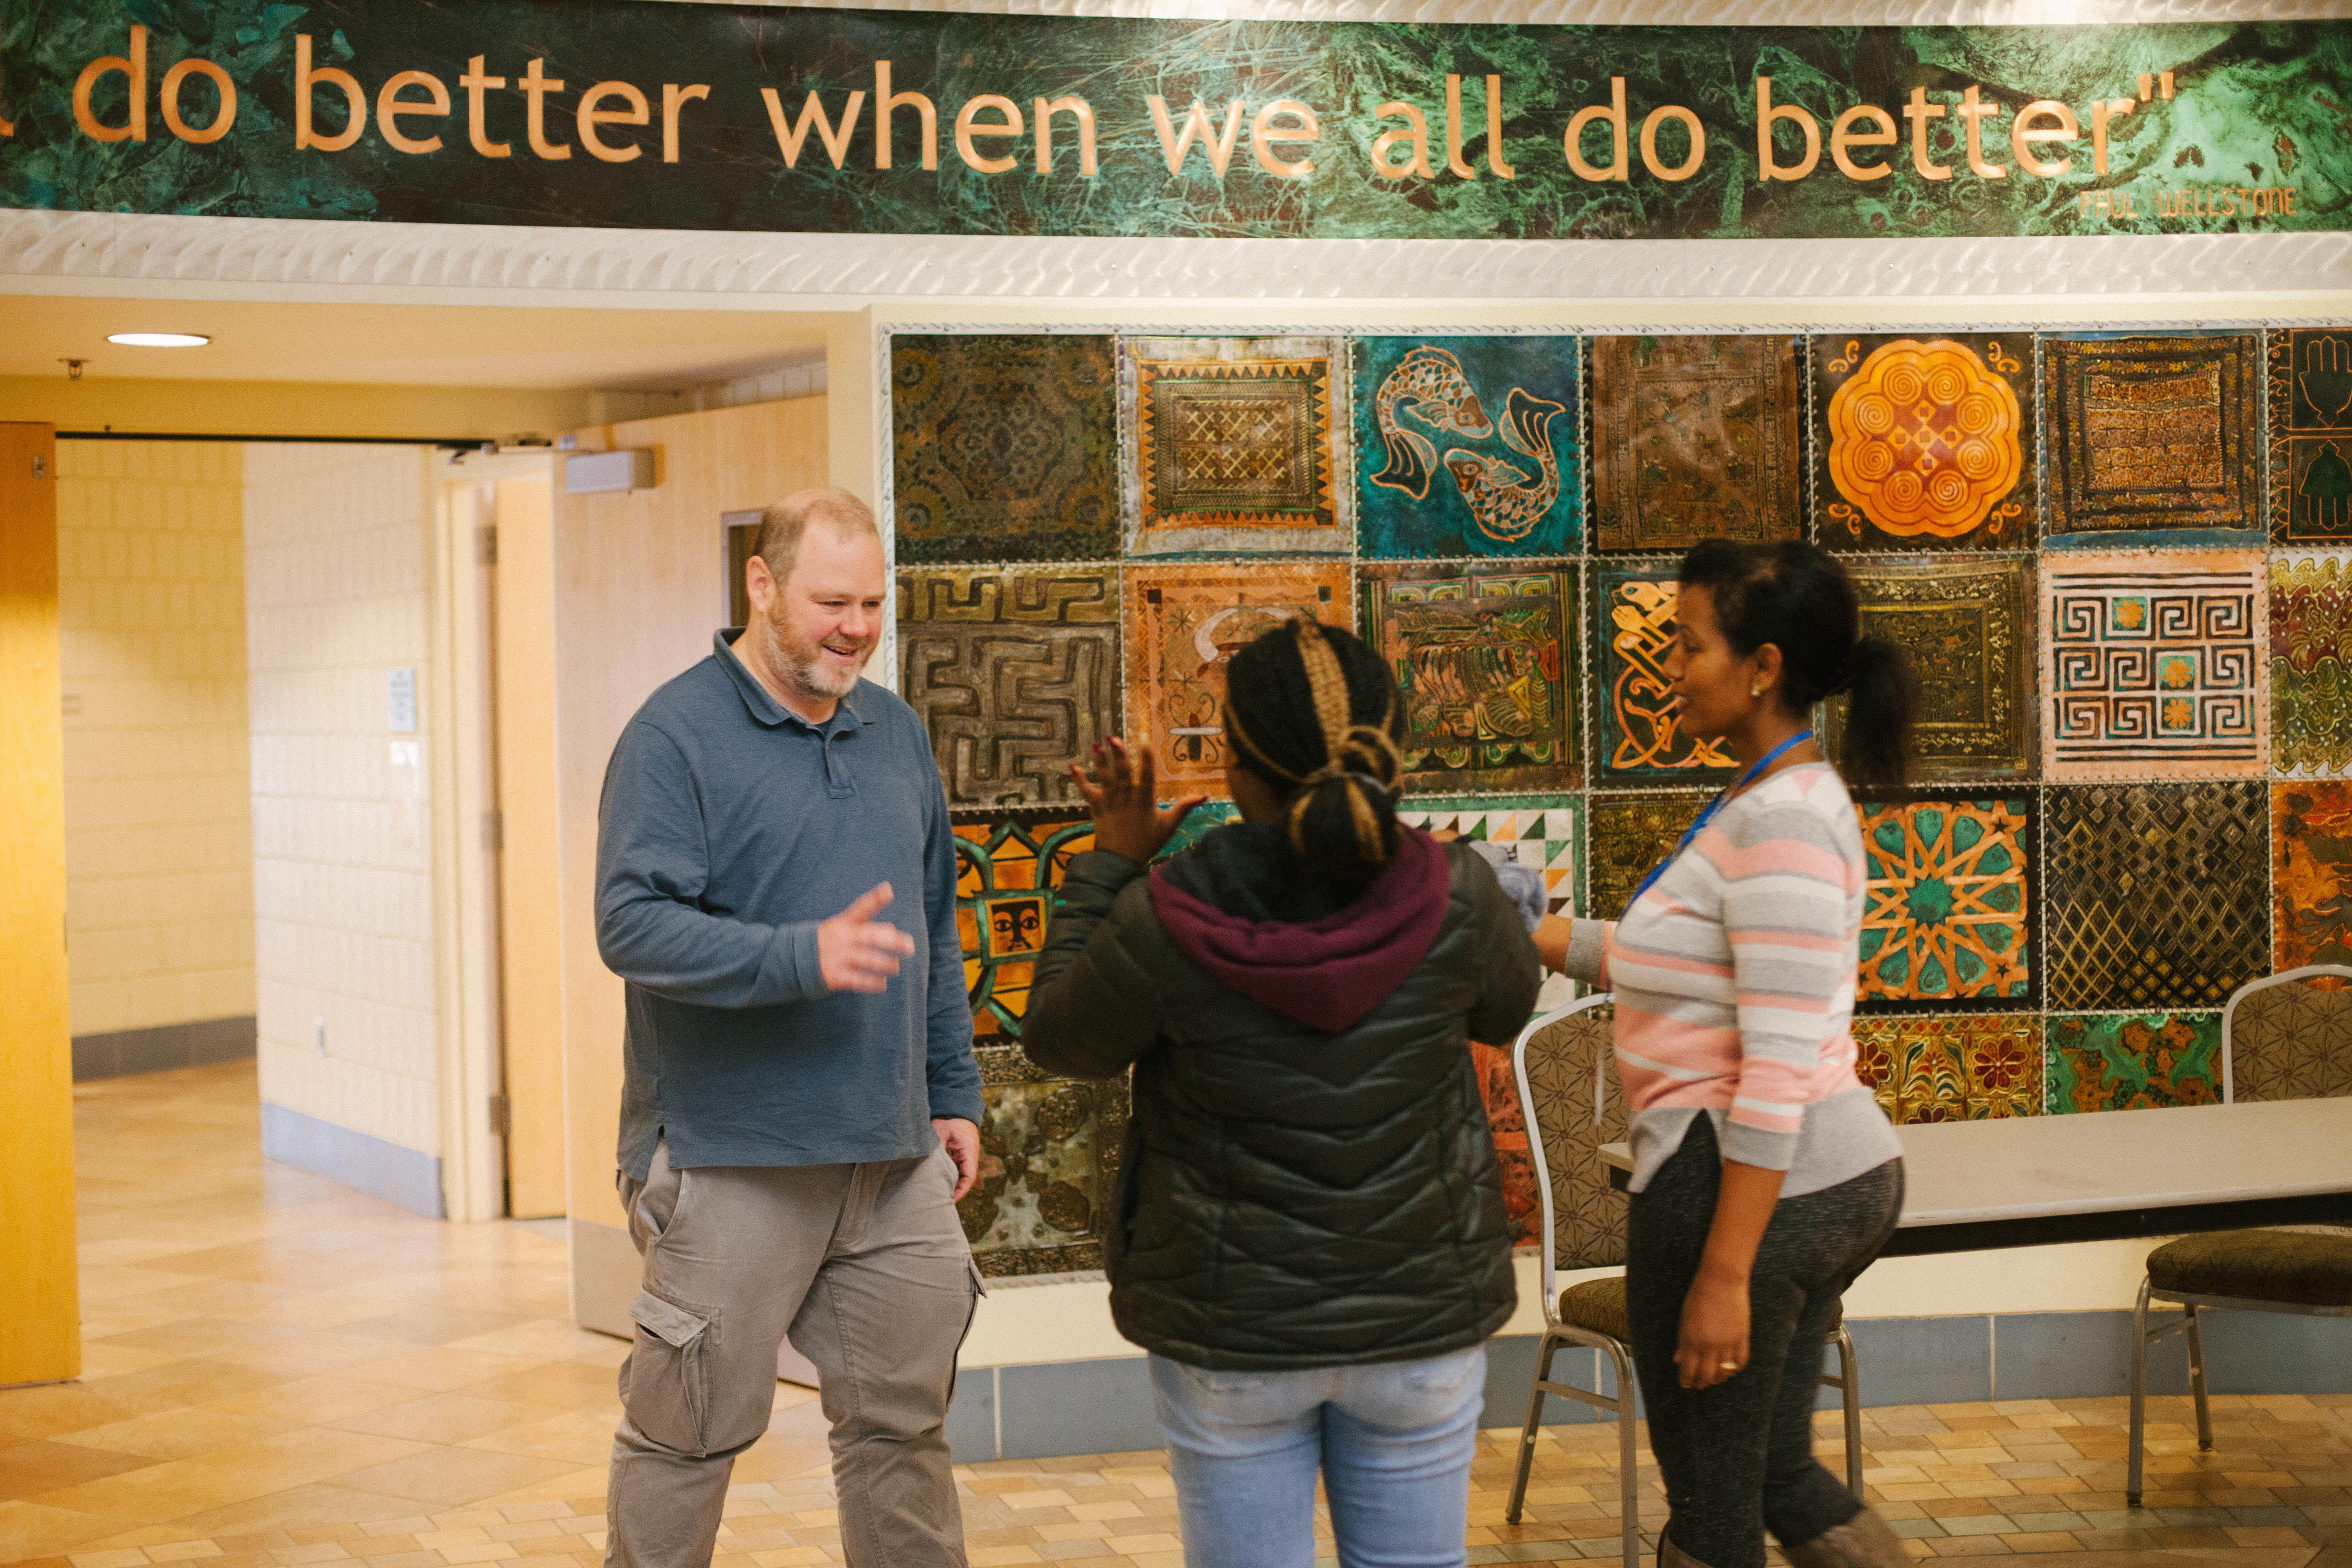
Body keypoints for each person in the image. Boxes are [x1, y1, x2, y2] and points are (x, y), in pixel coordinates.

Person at [1020, 618, 1542, 1568]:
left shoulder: (1162, 912)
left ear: (1234, 766)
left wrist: (1111, 857)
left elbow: (1061, 1041)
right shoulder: (1459, 892)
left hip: (1234, 1333)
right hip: (1417, 1318)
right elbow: (1505, 1013)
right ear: (1390, 749)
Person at [593, 487, 981, 1568]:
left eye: (872, 603)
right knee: (685, 1438)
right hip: (729, 1157)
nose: (855, 627)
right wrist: (796, 957)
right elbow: (628, 925)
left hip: (891, 1157)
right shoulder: (675, 736)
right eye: (829, 603)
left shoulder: (895, 731)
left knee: (905, 1431)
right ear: (760, 587)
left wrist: (951, 1093)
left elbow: (934, 930)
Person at [1538, 539, 1913, 1568]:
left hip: (1742, 1184)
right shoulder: (1768, 804)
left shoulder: (1783, 824)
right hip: (1806, 1183)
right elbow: (1679, 960)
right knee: (1773, 1473)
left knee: (1710, 1508)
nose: (1669, 670)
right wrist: (1519, 928)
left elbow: (1778, 1065)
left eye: (1688, 647)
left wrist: (1723, 1278)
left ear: (1764, 667)